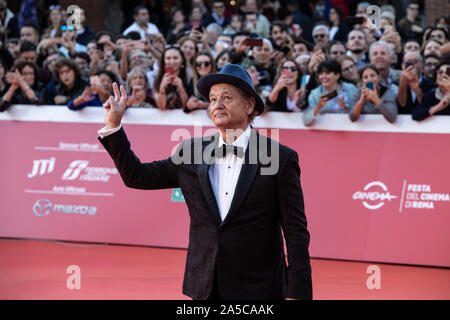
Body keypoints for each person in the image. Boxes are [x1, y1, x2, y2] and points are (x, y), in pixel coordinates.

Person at [97, 63, 312, 300]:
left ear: (249, 105)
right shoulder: (190, 152)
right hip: (205, 285)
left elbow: (295, 231)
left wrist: (297, 293)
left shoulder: (279, 157)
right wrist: (113, 126)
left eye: (227, 98)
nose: (217, 105)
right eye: (212, 99)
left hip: (259, 287)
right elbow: (137, 176)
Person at [303, 59, 358, 126]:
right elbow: (306, 121)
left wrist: (345, 108)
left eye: (327, 73)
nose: (323, 76)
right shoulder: (315, 94)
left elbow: (359, 113)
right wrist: (318, 107)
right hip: (325, 133)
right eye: (320, 73)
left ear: (337, 75)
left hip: (351, 130)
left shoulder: (351, 89)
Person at [153, 46, 193, 110]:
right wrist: (162, 88)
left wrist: (181, 88)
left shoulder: (190, 77)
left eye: (175, 58)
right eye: (168, 58)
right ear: (164, 61)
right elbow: (161, 107)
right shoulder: (158, 78)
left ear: (182, 60)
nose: (172, 62)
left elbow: (188, 106)